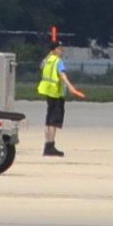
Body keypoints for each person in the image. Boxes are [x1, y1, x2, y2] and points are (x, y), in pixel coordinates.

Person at [37, 29, 87, 157]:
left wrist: (50, 52)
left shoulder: (48, 60)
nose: (62, 50)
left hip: (48, 92)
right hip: (56, 93)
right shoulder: (58, 62)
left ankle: (47, 144)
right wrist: (71, 87)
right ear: (55, 50)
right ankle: (50, 146)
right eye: (59, 48)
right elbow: (62, 75)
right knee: (54, 120)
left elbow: (41, 65)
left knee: (48, 120)